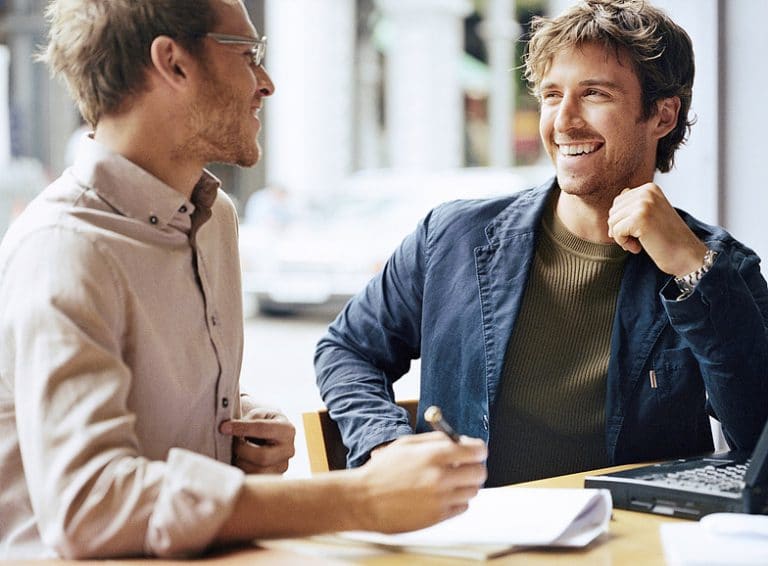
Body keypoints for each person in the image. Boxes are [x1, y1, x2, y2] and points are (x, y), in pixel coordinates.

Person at [0, 0, 487, 560]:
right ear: (174, 63)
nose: (268, 83)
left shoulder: (214, 218)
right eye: (249, 55)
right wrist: (360, 497)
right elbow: (90, 504)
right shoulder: (64, 246)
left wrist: (231, 426)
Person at [315, 0, 768, 488]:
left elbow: (758, 437)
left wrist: (689, 268)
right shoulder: (452, 237)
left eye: (594, 94)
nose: (563, 121)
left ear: (662, 114)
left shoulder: (721, 268)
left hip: (631, 544)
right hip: (470, 541)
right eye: (552, 95)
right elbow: (346, 349)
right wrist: (385, 444)